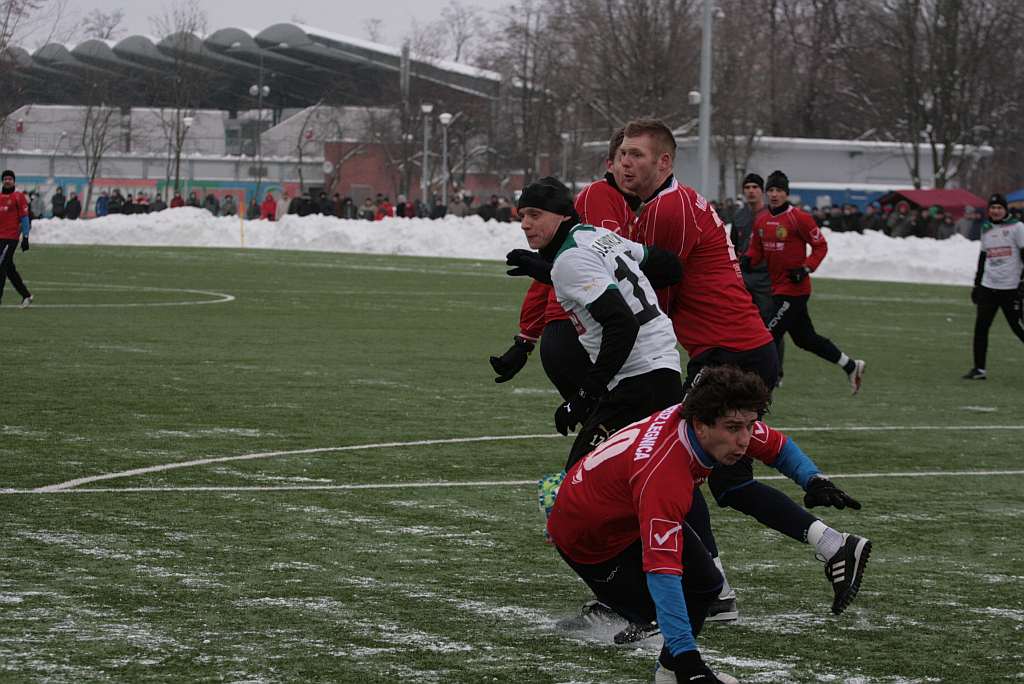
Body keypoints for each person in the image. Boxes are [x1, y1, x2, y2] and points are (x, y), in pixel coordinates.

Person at [547, 366, 871, 683]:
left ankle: (669, 671)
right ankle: (674, 665)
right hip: (588, 537)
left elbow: (776, 447)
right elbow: (663, 572)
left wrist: (814, 479)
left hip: (624, 510)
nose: (745, 440)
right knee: (657, 611)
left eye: (750, 425)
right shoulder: (665, 474)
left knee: (706, 585)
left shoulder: (717, 418)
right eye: (734, 429)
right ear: (700, 426)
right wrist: (691, 662)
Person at [513, 176, 683, 471]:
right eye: (523, 215)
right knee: (652, 480)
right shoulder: (596, 234)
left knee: (578, 482)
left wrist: (584, 396)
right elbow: (667, 265)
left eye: (535, 215)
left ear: (564, 214)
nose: (525, 224)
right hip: (663, 372)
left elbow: (622, 324)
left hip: (637, 381)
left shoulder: (570, 259)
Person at [747, 170, 866, 394]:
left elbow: (820, 245)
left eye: (779, 190)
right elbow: (757, 250)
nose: (774, 194)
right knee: (805, 339)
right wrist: (747, 261)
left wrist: (806, 268)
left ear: (786, 193)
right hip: (777, 288)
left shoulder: (798, 218)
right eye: (771, 190)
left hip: (794, 290)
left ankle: (764, 386)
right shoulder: (761, 220)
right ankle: (851, 366)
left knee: (768, 334)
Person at [962, 193, 1024, 380]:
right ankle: (979, 369)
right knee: (981, 329)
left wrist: (1022, 282)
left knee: (1018, 328)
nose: (995, 211)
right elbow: (983, 259)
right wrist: (977, 285)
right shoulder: (986, 228)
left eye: (999, 208)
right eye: (992, 208)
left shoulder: (1017, 227)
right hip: (989, 287)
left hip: (1011, 288)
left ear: (1005, 210)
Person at [0, 170, 33, 307]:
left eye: (10, 179)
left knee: (1, 265)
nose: (7, 181)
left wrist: (25, 237)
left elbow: (25, 218)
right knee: (9, 269)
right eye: (5, 179)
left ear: (14, 181)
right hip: (0, 237)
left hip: (11, 237)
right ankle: (26, 295)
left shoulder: (18, 197)